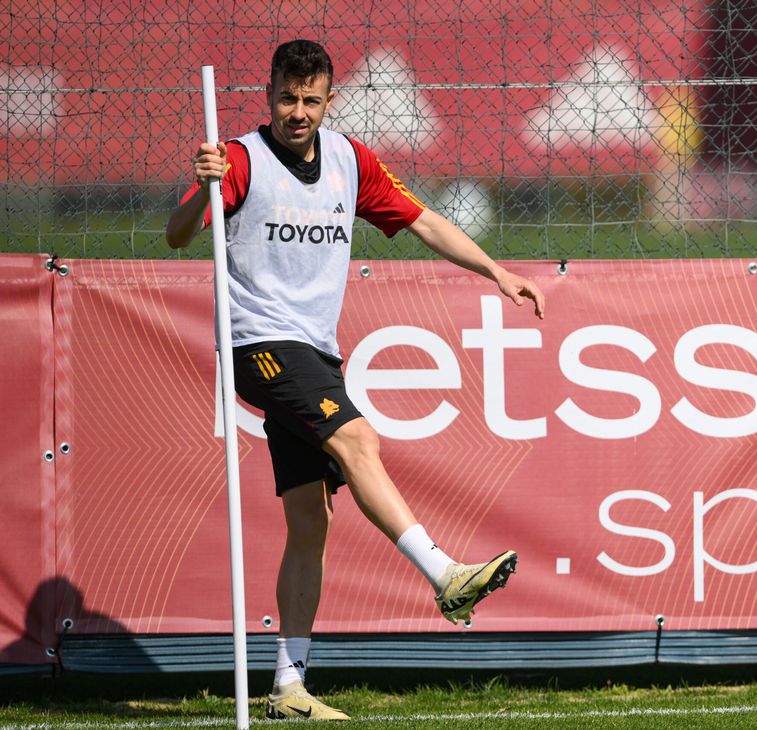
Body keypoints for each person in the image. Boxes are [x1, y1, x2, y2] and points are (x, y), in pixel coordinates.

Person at [166, 39, 544, 721]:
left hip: (315, 349)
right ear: (270, 93)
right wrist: (205, 187)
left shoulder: (350, 161)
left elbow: (422, 219)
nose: (298, 111)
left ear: (329, 99)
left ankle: (288, 686)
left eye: (311, 99)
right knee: (360, 441)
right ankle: (445, 575)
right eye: (287, 97)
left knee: (312, 521)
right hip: (261, 344)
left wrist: (496, 272)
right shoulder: (239, 159)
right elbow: (177, 233)